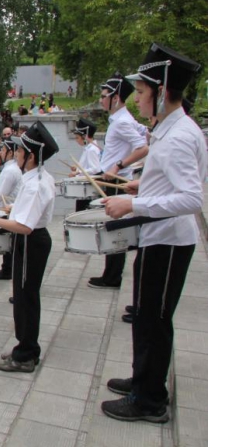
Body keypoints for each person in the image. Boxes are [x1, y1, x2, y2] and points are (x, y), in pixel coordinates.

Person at [99, 43, 206, 424]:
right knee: (145, 315)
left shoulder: (177, 136)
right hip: (158, 237)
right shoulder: (171, 129)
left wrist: (135, 205)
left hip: (169, 240)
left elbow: (192, 197)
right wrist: (142, 185)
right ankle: (142, 379)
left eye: (143, 93)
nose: (139, 100)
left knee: (155, 321)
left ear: (161, 93)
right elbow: (171, 180)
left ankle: (149, 400)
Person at [0, 122, 59, 373]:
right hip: (32, 239)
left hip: (31, 241)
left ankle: (26, 354)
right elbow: (28, 212)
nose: (16, 154)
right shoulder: (36, 176)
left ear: (31, 156)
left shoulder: (35, 183)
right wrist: (11, 209)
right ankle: (25, 347)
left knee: (26, 298)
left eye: (20, 151)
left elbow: (25, 227)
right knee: (24, 297)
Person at [89, 72, 151, 301]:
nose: (101, 100)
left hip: (116, 181)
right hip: (112, 178)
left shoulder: (122, 121)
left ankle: (112, 277)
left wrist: (117, 165)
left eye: (104, 96)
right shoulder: (122, 119)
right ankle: (109, 274)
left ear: (115, 97)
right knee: (111, 226)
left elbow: (142, 147)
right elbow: (145, 132)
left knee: (114, 228)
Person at [0, 132, 23, 281]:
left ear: (10, 152)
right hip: (9, 207)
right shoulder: (11, 168)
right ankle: (7, 268)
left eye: (3, 150)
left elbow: (0, 195)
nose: (0, 152)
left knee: (9, 242)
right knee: (9, 242)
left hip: (8, 209)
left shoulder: (9, 171)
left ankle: (7, 270)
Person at [69, 118, 101, 211]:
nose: (76, 140)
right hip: (86, 191)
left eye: (77, 138)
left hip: (89, 191)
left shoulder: (92, 150)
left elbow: (96, 169)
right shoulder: (88, 148)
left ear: (85, 136)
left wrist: (77, 173)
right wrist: (77, 168)